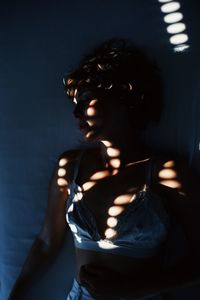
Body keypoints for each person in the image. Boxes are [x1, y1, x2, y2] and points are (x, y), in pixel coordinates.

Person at [9, 38, 200, 300]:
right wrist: (15, 294)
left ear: (125, 97)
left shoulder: (167, 172)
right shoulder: (70, 166)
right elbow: (46, 242)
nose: (76, 112)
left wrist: (134, 288)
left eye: (86, 99)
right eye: (74, 103)